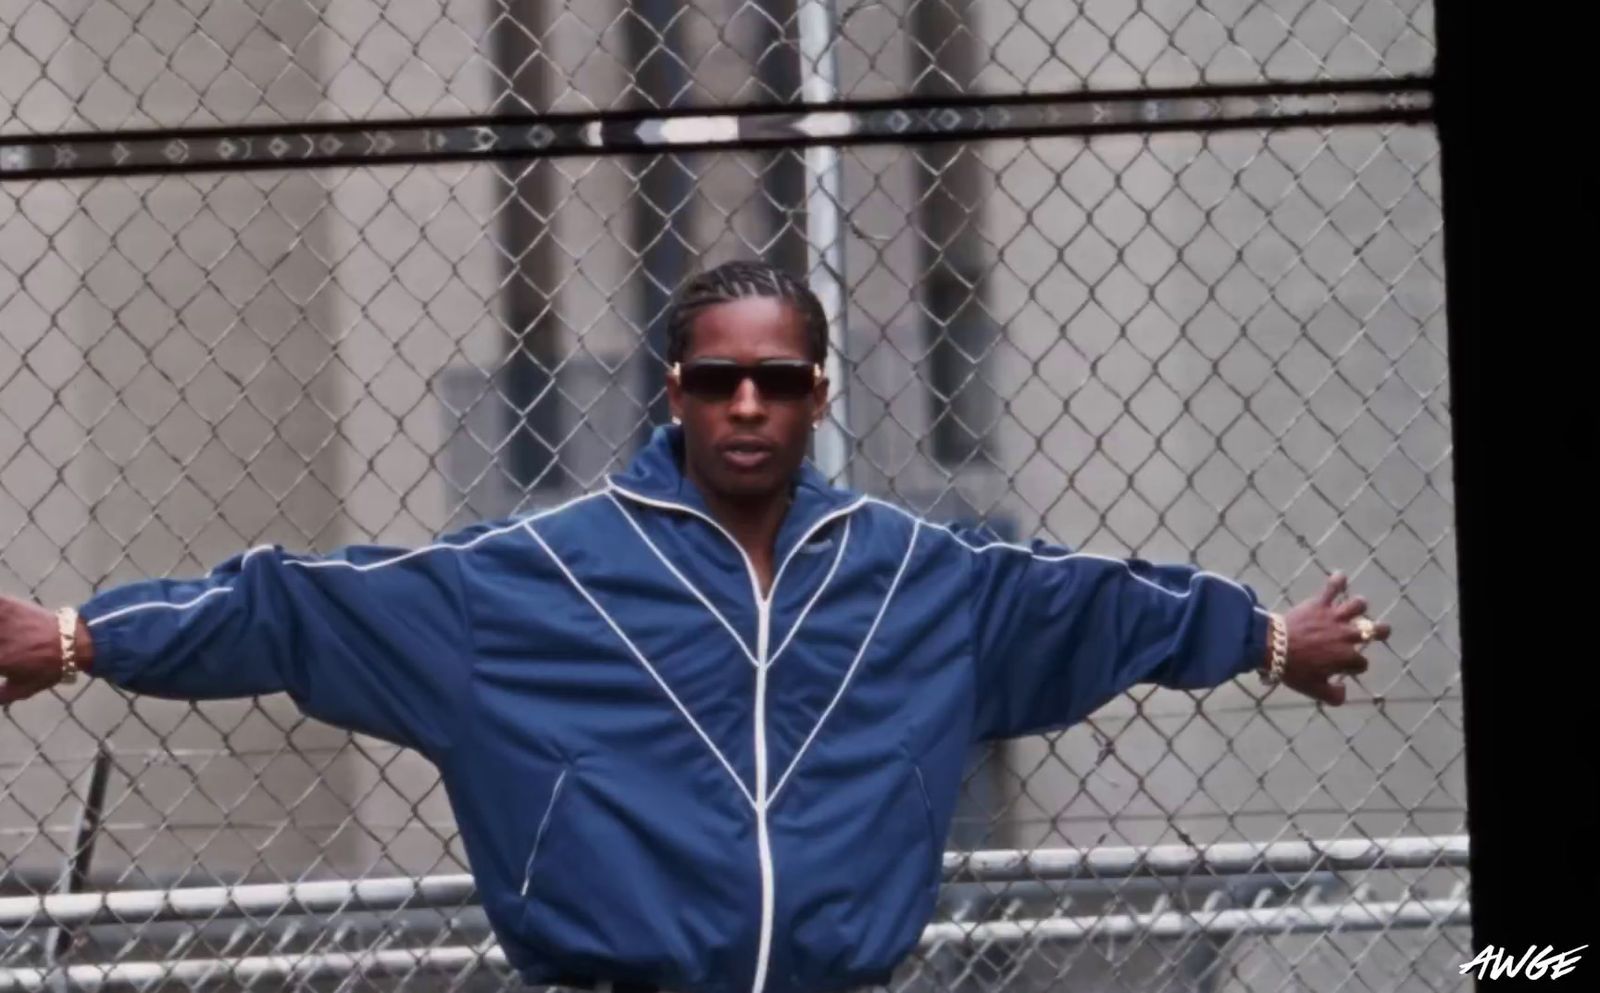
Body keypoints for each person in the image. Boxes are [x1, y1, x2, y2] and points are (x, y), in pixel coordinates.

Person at [0, 259, 1389, 993]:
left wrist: (1263, 638)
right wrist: (72, 639)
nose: (745, 405)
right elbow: (293, 608)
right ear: (675, 389)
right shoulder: (530, 577)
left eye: (775, 379)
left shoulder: (917, 577)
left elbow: (1093, 605)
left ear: (817, 393)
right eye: (718, 378)